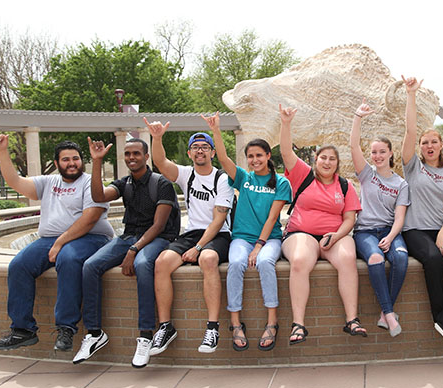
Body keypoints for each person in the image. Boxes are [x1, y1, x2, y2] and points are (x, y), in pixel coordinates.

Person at [0, 134, 113, 352]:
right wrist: (2, 151)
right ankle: (23, 330)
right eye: (66, 159)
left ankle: (66, 328)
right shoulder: (48, 183)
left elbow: (90, 219)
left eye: (75, 158)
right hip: (50, 239)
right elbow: (14, 181)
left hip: (91, 238)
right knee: (19, 266)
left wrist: (60, 243)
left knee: (68, 258)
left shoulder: (89, 182)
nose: (72, 163)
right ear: (56, 163)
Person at [73, 137, 180, 368]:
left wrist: (134, 249)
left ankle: (145, 335)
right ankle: (94, 333)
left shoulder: (161, 184)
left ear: (146, 157)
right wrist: (97, 161)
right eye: (128, 154)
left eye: (136, 153)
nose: (132, 157)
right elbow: (98, 196)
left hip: (158, 238)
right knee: (90, 266)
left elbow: (159, 226)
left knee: (143, 265)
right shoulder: (125, 183)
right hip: (129, 236)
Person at [278, 104, 366, 345]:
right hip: (301, 234)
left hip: (334, 236)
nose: (327, 162)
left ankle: (352, 320)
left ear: (337, 163)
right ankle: (298, 324)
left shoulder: (345, 185)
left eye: (332, 159)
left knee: (348, 258)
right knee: (299, 261)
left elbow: (350, 219)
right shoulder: (302, 175)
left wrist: (336, 236)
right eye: (323, 158)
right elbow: (286, 152)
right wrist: (286, 124)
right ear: (315, 160)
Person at [145, 118, 234, 354]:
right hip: (192, 233)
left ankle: (212, 328)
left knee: (207, 259)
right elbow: (160, 162)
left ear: (213, 152)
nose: (200, 150)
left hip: (219, 234)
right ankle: (165, 327)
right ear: (190, 153)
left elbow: (218, 220)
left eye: (205, 147)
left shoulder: (222, 179)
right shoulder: (186, 174)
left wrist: (199, 247)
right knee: (162, 262)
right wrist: (156, 138)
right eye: (196, 147)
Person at [205, 112, 292, 351]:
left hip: (269, 239)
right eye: (250, 156)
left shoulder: (281, 182)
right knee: (235, 265)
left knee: (265, 263)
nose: (255, 160)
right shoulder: (243, 178)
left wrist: (259, 246)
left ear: (267, 156)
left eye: (259, 155)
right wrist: (216, 130)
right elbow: (222, 158)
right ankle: (235, 323)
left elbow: (274, 217)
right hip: (241, 238)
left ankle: (272, 323)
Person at [401, 77, 443, 349]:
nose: (429, 146)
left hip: (442, 229)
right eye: (424, 143)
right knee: (433, 260)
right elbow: (409, 130)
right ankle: (442, 317)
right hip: (415, 230)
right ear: (420, 147)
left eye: (433, 142)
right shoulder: (413, 167)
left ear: (442, 145)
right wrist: (411, 95)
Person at [350, 99, 410, 337]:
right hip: (365, 231)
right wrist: (358, 117)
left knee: (401, 257)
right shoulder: (366, 174)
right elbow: (354, 147)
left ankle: (386, 312)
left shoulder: (401, 184)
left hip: (389, 230)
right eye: (374, 152)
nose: (377, 156)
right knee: (375, 258)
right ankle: (389, 314)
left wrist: (391, 237)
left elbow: (400, 217)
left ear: (390, 153)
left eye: (381, 151)